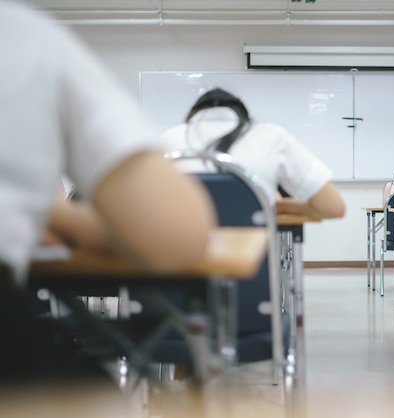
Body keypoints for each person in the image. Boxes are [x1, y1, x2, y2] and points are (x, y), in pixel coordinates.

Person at [0, 1, 217, 382]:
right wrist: (43, 212)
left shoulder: (172, 138)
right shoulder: (23, 34)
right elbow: (174, 232)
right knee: (89, 388)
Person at [162, 88, 345, 220]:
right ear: (243, 116)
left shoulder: (168, 139)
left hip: (182, 267)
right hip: (253, 267)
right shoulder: (269, 136)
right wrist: (271, 205)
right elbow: (334, 207)